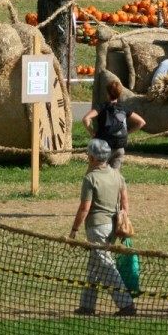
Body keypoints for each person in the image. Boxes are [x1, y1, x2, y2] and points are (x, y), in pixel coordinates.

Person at [69, 138, 137, 317]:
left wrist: (74, 230)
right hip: (113, 226)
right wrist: (123, 219)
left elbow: (85, 208)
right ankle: (87, 306)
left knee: (105, 265)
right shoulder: (117, 174)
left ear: (91, 158)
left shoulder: (90, 178)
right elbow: (125, 202)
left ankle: (126, 305)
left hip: (97, 226)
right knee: (95, 265)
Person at [83, 79, 146, 170]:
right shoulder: (123, 109)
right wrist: (128, 132)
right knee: (115, 176)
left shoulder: (102, 107)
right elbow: (141, 122)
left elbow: (86, 119)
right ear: (119, 94)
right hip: (120, 147)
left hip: (104, 147)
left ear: (107, 94)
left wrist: (93, 134)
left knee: (98, 173)